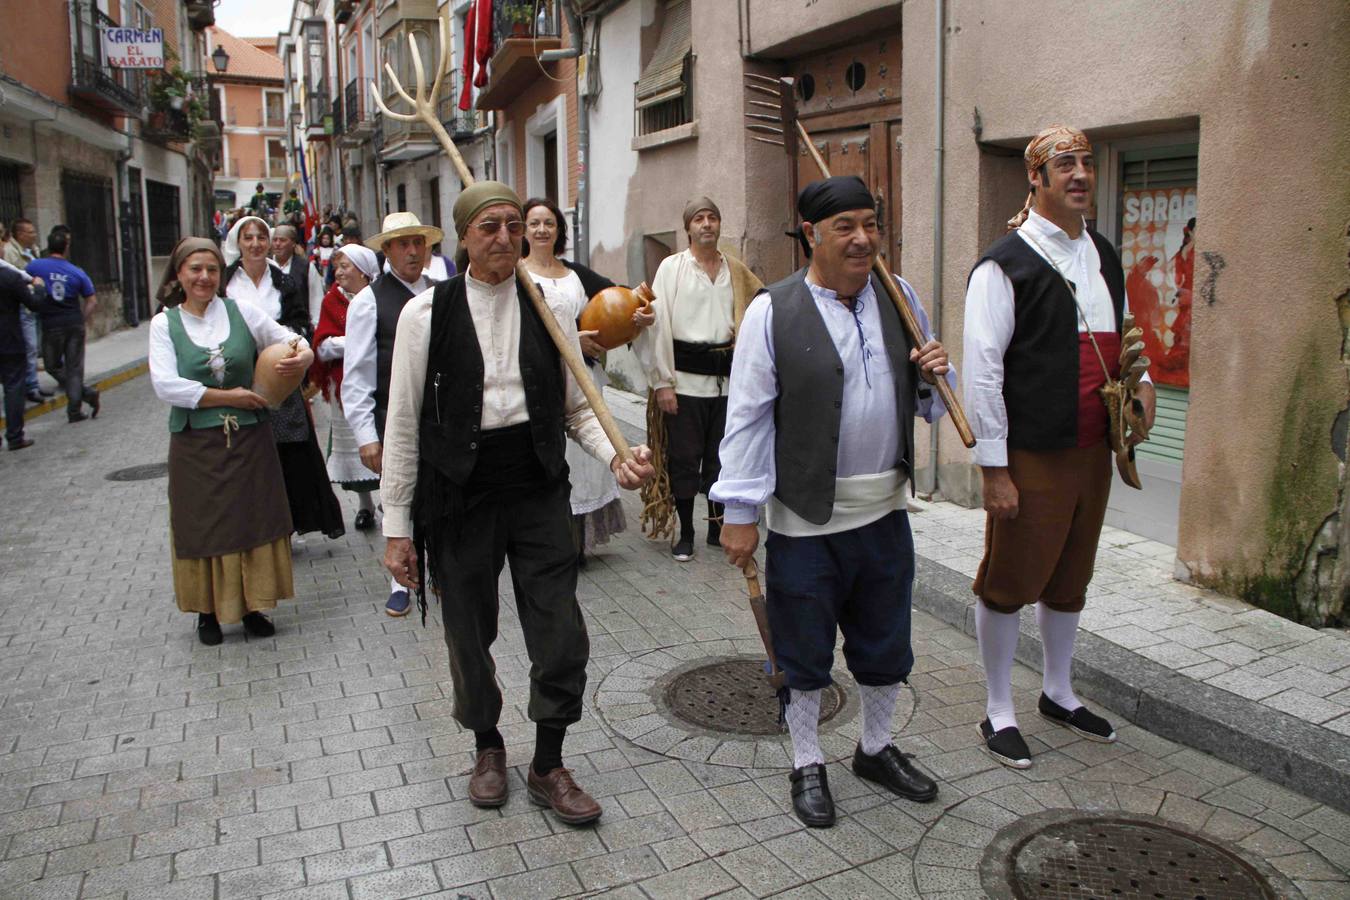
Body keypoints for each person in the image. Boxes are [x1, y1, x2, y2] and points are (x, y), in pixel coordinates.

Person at [380, 182, 655, 826]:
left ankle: (548, 762)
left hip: (535, 485)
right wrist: (397, 528)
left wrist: (614, 453)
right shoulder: (426, 316)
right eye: (489, 227)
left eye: (512, 224)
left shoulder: (549, 305)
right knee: (468, 633)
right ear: (464, 238)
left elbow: (577, 403)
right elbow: (401, 425)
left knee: (560, 632)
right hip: (459, 496)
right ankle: (487, 746)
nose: (505, 236)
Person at [713, 175, 953, 828]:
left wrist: (936, 372)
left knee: (884, 646)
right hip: (806, 521)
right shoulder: (774, 310)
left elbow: (929, 402)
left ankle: (875, 748)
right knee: (804, 653)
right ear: (811, 234)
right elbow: (749, 418)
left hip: (884, 514)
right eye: (844, 226)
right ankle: (807, 760)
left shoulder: (899, 297)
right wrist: (739, 513)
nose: (862, 238)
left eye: (870, 224)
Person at [963, 125, 1156, 769]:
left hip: (1091, 449)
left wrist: (1145, 381)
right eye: (1063, 164)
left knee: (1071, 577)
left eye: (1086, 164)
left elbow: (1122, 327)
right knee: (1010, 579)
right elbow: (983, 370)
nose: (1079, 174)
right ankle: (997, 708)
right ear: (1036, 179)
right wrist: (995, 468)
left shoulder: (1101, 251)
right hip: (1032, 452)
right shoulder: (1004, 263)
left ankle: (1057, 690)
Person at [149, 237, 312, 645]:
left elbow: (292, 339)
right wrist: (231, 397)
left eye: (212, 269)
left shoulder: (240, 311)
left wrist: (302, 357)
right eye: (195, 269)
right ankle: (208, 612)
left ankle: (254, 605)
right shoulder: (164, 324)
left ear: (221, 275)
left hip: (249, 439)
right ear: (179, 275)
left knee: (251, 517)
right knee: (202, 523)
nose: (204, 277)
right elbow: (167, 385)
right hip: (196, 443)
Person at [520, 196, 651, 565]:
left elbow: (624, 298)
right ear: (524, 231)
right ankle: (549, 542)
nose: (542, 229)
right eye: (534, 223)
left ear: (559, 229)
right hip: (540, 385)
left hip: (584, 384)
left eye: (549, 222)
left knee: (585, 464)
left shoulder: (576, 274)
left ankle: (577, 543)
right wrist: (570, 339)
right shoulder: (517, 276)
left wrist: (640, 314)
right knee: (552, 465)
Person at [634, 197, 762, 561]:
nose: (707, 224)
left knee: (721, 458)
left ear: (720, 225)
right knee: (684, 459)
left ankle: (717, 527)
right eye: (699, 219)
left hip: (727, 385)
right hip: (684, 384)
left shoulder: (735, 271)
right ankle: (687, 531)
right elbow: (657, 326)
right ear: (688, 227)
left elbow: (758, 310)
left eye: (713, 218)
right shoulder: (671, 268)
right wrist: (663, 383)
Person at [342, 211, 441, 616]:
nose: (413, 251)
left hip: (439, 415)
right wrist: (366, 433)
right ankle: (400, 579)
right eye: (403, 244)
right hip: (393, 416)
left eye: (418, 242)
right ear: (387, 250)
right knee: (398, 499)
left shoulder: (442, 290)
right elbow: (357, 373)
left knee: (438, 496)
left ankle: (439, 571)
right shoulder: (368, 302)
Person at [223, 216, 345, 541]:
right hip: (240, 369)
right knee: (250, 448)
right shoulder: (225, 281)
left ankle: (287, 521)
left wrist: (292, 347)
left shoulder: (284, 281)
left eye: (262, 237)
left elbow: (299, 320)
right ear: (238, 242)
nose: (256, 244)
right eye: (248, 238)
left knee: (288, 449)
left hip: (279, 368)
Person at [310, 244, 382, 533]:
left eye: (345, 266)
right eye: (337, 266)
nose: (338, 272)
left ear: (364, 270)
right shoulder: (332, 302)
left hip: (380, 380)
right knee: (357, 444)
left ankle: (388, 501)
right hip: (344, 385)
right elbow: (323, 346)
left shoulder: (379, 296)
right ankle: (365, 506)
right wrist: (356, 340)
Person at [26, 231, 100, 422]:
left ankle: (81, 400)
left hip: (50, 324)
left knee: (52, 366)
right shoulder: (77, 272)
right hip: (74, 323)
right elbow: (91, 301)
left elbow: (24, 285)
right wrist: (82, 319)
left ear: (47, 246)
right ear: (66, 248)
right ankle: (79, 402)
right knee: (74, 368)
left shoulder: (35, 266)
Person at [3, 218, 51, 404]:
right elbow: (12, 278)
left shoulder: (33, 250)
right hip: (23, 305)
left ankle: (32, 383)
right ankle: (30, 386)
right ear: (20, 234)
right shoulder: (10, 253)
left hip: (32, 302)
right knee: (29, 347)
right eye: (30, 232)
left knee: (34, 346)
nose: (34, 235)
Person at [0, 262, 46, 450]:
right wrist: (39, 288)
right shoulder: (10, 277)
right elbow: (34, 304)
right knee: (13, 388)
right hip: (9, 340)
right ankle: (14, 436)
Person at [271, 223, 325, 333]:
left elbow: (316, 298)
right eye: (275, 240)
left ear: (293, 243)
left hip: (299, 331)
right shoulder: (266, 266)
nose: (277, 244)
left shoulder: (306, 267)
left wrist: (315, 327)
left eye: (282, 240)